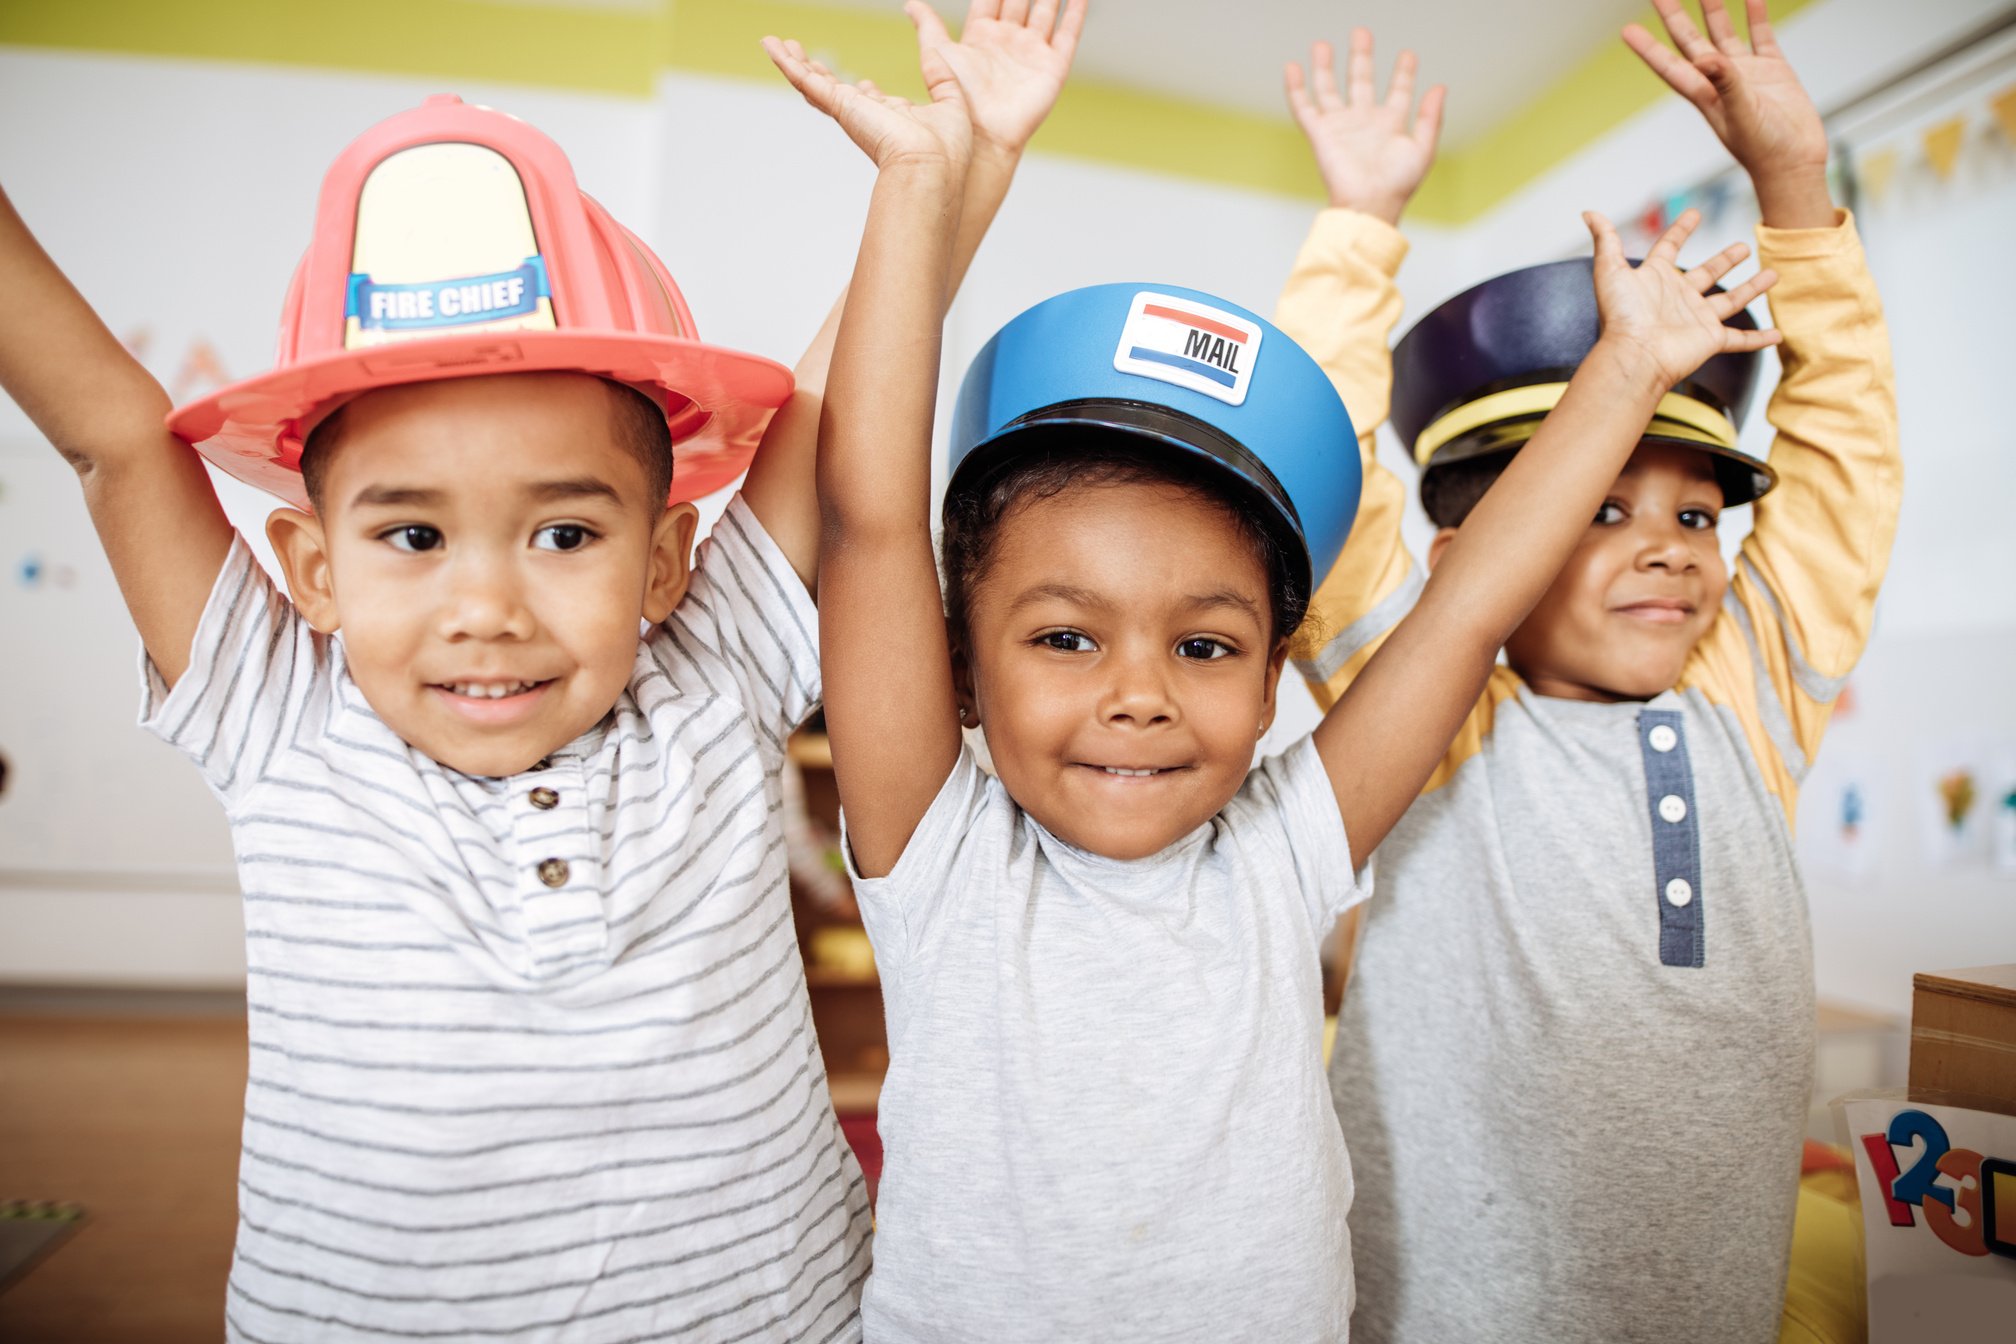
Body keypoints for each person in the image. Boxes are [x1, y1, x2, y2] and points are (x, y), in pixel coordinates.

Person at [0, 4, 1082, 1337]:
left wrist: (959, 164)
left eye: (565, 532)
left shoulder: (715, 669)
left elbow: (841, 409)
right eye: (412, 533)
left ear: (666, 558)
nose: (488, 606)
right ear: (313, 565)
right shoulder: (275, 712)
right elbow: (111, 433)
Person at [764, 12, 1782, 1338]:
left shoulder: (1282, 849)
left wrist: (1630, 368)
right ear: (960, 669)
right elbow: (874, 522)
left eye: (1205, 644)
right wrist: (921, 187)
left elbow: (1469, 606)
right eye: (1067, 636)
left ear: (1269, 685)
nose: (1142, 692)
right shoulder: (938, 854)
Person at [1273, 7, 1899, 1340]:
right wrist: (1360, 226)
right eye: (1597, 512)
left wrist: (1794, 185)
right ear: (1467, 559)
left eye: (1693, 514)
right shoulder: (1432, 717)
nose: (1668, 550)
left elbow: (1844, 457)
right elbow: (1320, 475)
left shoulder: (1748, 702)